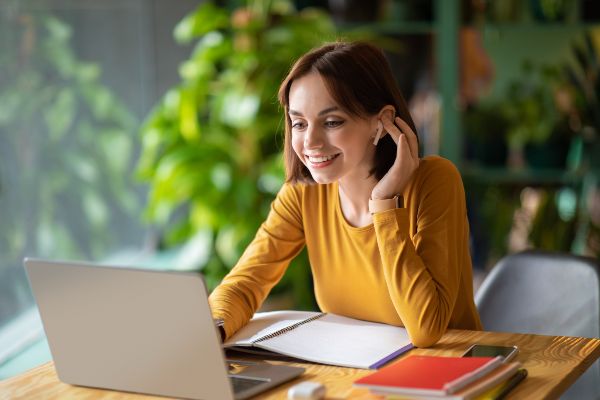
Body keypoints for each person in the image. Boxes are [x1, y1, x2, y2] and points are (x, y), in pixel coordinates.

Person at [209, 41, 482, 348]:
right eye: (299, 123)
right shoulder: (302, 196)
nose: (309, 141)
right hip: (354, 375)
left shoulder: (435, 181)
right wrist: (212, 331)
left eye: (331, 122)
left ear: (383, 122)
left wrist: (384, 204)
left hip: (452, 374)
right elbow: (245, 284)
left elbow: (426, 328)